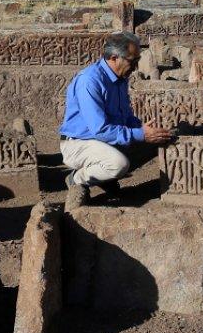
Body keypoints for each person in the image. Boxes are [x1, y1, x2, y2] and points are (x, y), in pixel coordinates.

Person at [58, 31, 174, 210]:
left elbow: (125, 117)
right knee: (118, 164)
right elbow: (101, 129)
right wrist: (141, 134)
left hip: (102, 141)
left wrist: (141, 127)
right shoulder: (90, 81)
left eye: (137, 60)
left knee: (159, 139)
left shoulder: (120, 78)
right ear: (114, 58)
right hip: (78, 143)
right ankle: (77, 179)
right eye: (132, 61)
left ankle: (105, 178)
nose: (136, 66)